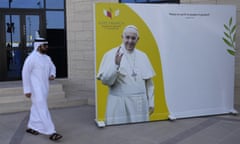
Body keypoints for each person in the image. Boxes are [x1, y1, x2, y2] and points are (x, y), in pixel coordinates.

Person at [97, 25, 155, 125]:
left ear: (138, 39)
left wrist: (151, 102)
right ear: (122, 37)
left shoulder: (143, 56)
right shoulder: (111, 54)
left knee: (139, 135)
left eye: (133, 38)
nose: (130, 41)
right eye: (127, 37)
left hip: (139, 104)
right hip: (119, 103)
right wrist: (116, 65)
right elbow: (106, 81)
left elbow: (149, 83)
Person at [22, 34, 62, 141]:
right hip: (35, 89)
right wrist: (27, 89)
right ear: (38, 46)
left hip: (44, 87)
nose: (46, 47)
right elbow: (25, 73)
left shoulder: (47, 58)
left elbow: (52, 67)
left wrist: (52, 74)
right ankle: (51, 132)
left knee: (36, 108)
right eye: (45, 45)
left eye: (46, 45)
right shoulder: (31, 58)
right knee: (43, 108)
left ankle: (32, 127)